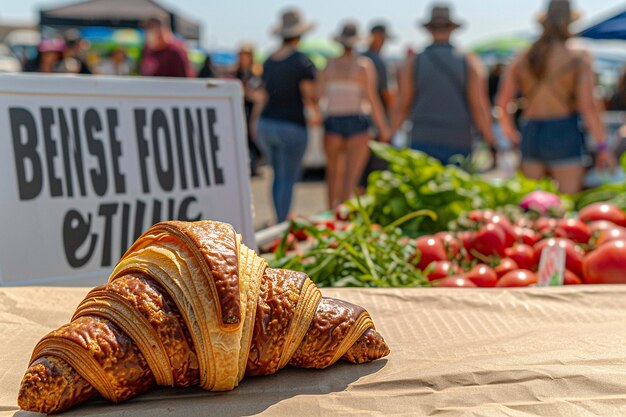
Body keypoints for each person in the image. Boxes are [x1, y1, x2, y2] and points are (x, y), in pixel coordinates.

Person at [497, 0, 614, 193]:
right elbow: (588, 106)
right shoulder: (578, 55)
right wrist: (603, 146)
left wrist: (511, 136)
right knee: (567, 202)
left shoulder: (523, 55)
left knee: (532, 204)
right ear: (570, 21)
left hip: (531, 130)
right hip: (564, 130)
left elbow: (502, 103)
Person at [392, 4, 495, 164]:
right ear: (452, 28)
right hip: (458, 138)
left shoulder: (413, 62)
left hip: (422, 136)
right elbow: (479, 105)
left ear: (429, 29)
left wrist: (390, 134)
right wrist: (490, 138)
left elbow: (403, 104)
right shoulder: (469, 61)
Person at [252, 9, 320, 223]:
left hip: (267, 124)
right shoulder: (301, 61)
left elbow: (263, 95)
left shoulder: (269, 60)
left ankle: (277, 219)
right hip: (291, 126)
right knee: (288, 178)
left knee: (277, 175)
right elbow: (310, 97)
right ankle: (282, 224)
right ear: (299, 35)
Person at [319, 22, 390, 209]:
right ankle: (343, 218)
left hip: (332, 121)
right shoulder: (363, 65)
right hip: (357, 121)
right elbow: (372, 99)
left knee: (333, 175)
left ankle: (330, 215)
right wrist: (383, 129)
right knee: (351, 178)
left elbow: (317, 95)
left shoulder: (329, 65)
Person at [360, 22, 394, 187]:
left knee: (361, 175)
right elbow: (384, 95)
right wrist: (388, 124)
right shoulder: (377, 61)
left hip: (361, 123)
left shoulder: (362, 57)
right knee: (378, 175)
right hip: (377, 123)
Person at [233, 43, 263, 176]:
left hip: (252, 109)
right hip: (239, 107)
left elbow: (258, 93)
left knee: (253, 137)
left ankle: (254, 164)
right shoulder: (236, 72)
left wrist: (246, 92)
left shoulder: (256, 72)